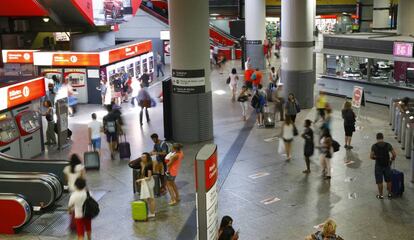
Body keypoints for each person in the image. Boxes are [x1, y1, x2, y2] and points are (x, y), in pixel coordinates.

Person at [370, 133, 396, 199]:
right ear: (382, 137)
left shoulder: (374, 146)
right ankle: (389, 194)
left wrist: (376, 158)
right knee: (389, 180)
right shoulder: (388, 145)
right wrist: (392, 159)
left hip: (378, 165)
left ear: (377, 138)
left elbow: (371, 156)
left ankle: (381, 195)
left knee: (379, 181)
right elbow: (394, 154)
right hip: (387, 165)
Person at [136, 152, 156, 218]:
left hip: (149, 182)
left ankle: (152, 213)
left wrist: (140, 180)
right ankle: (152, 211)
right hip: (145, 182)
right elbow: (131, 164)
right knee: (148, 198)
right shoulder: (142, 164)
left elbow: (149, 177)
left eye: (144, 157)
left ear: (147, 158)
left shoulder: (149, 165)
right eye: (141, 157)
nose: (142, 158)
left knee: (151, 198)